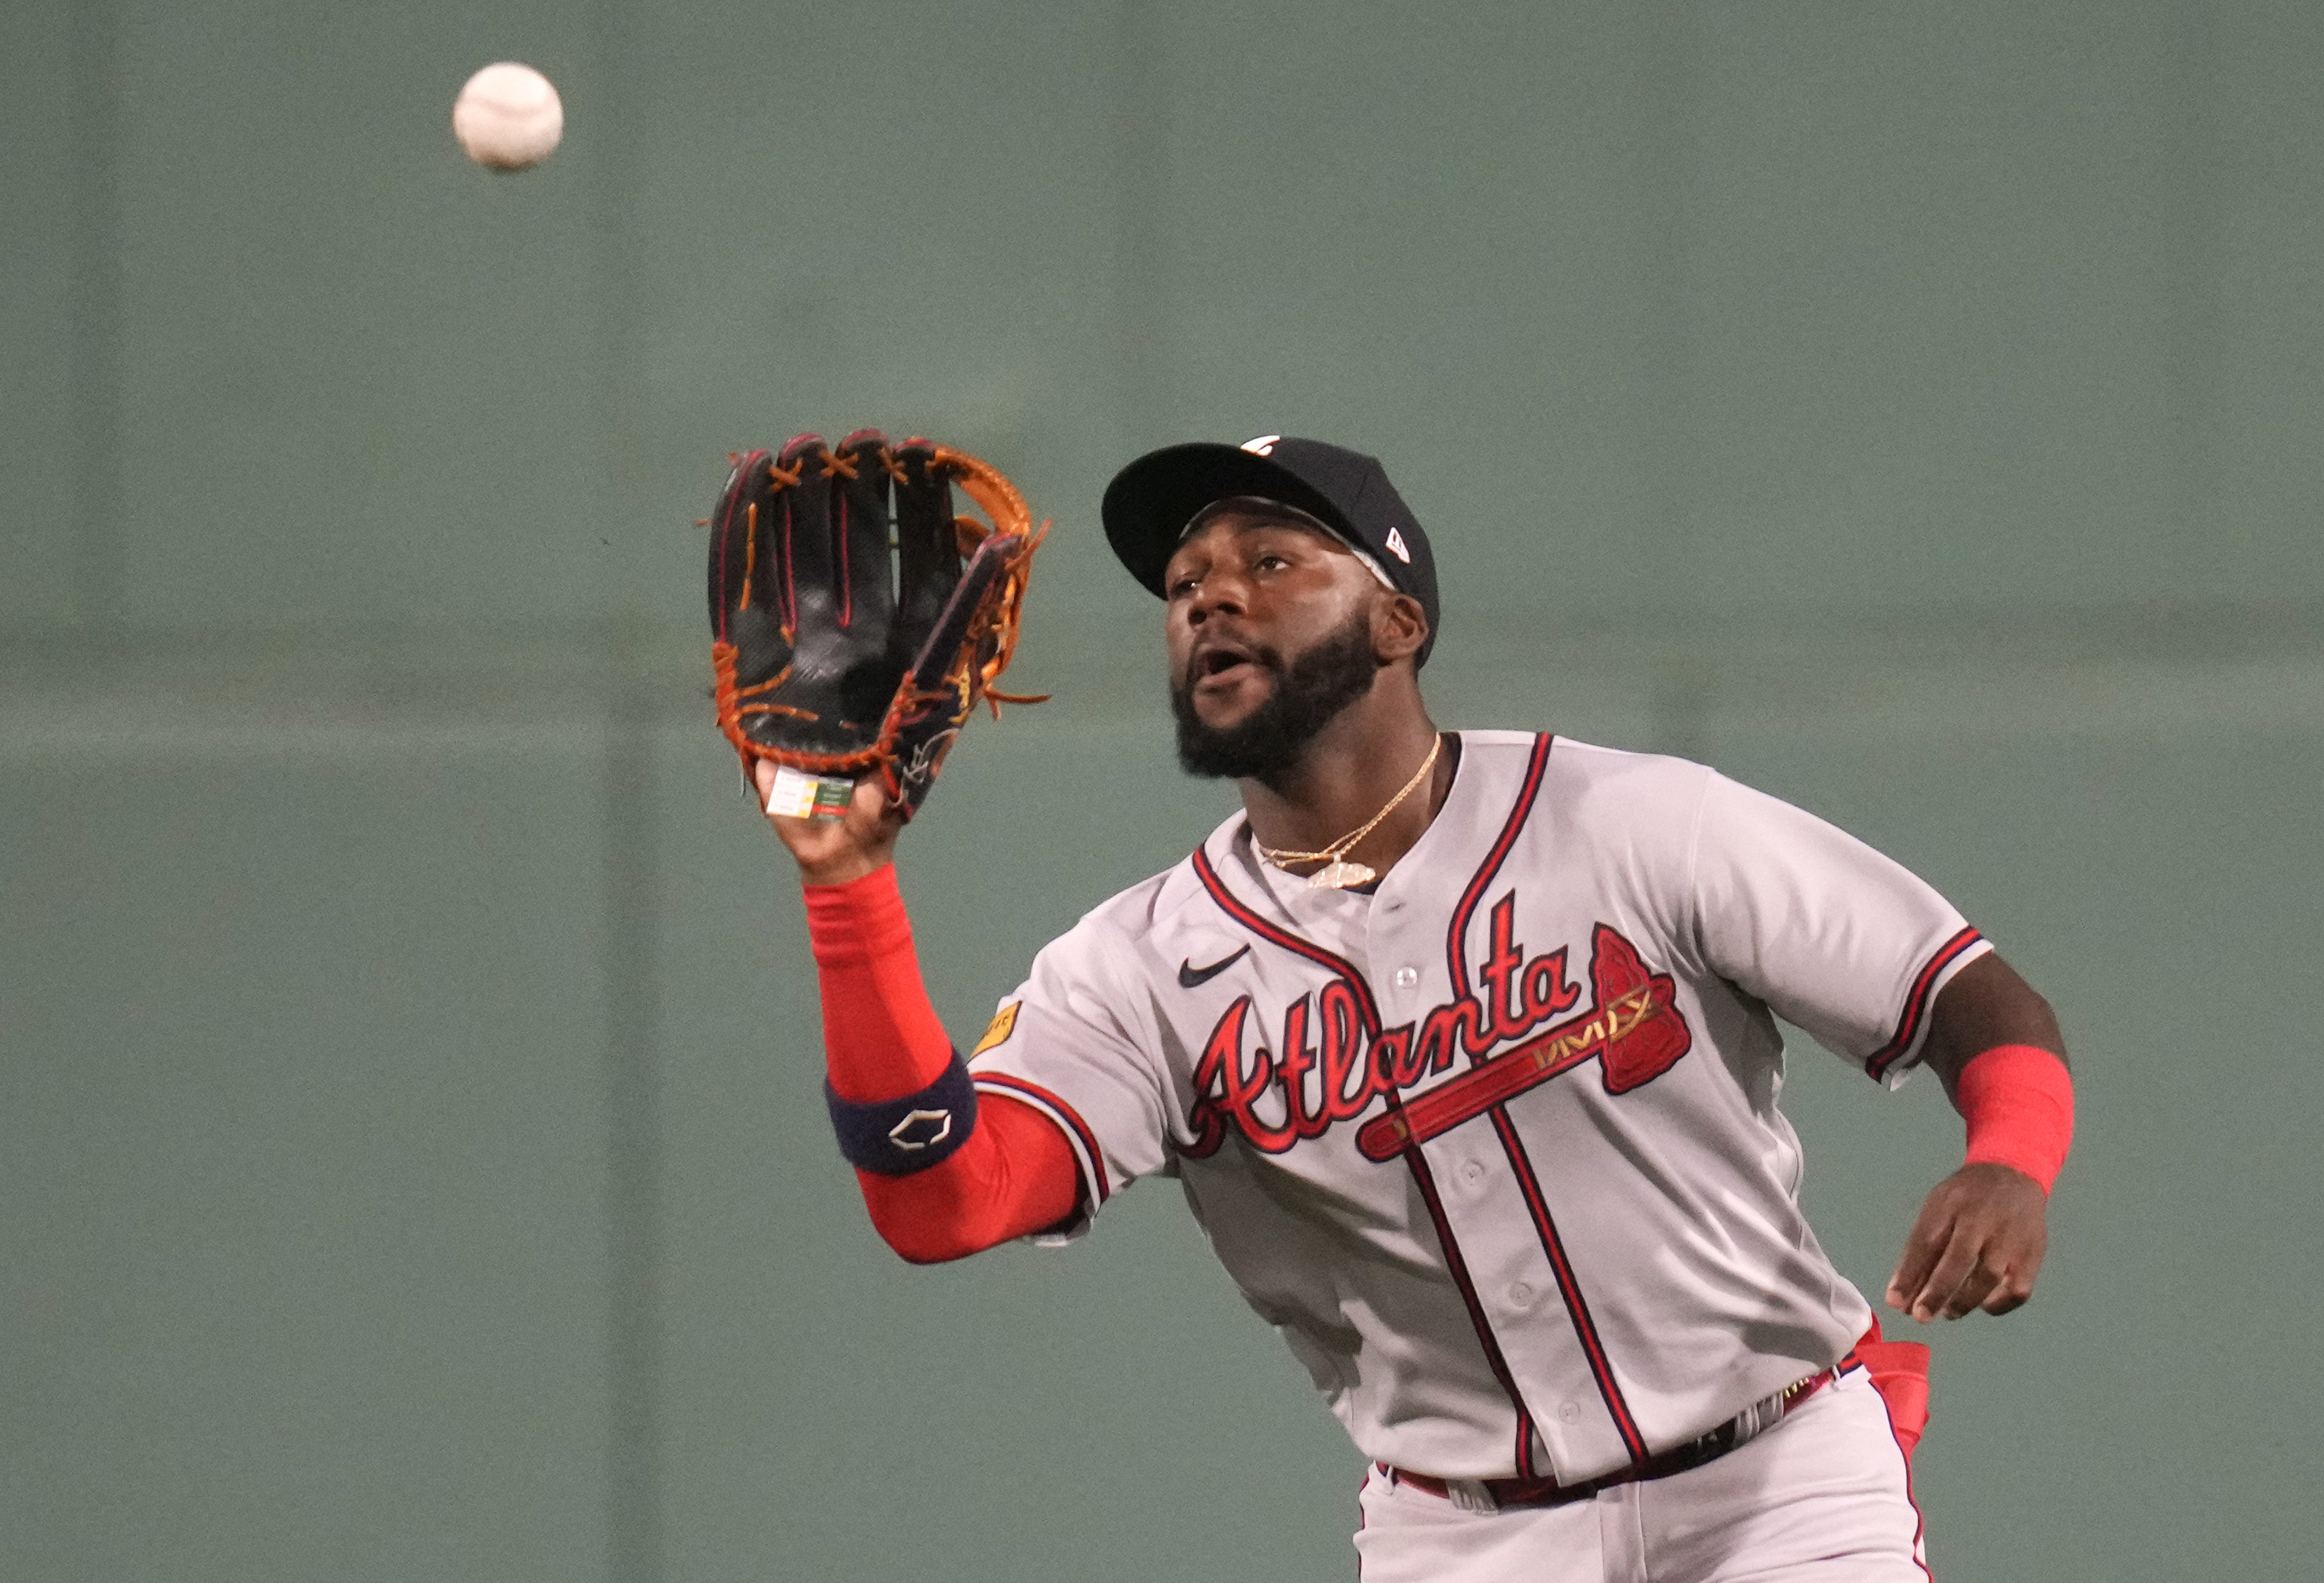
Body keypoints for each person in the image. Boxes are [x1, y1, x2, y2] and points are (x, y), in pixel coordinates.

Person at [750, 435, 2074, 1582]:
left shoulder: (1630, 823)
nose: (1212, 596)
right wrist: (851, 891)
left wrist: (2009, 1157)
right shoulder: (1139, 967)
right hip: (1467, 1535)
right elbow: (944, 1200)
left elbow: (1963, 989)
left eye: (1272, 562)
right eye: (1186, 584)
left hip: (1778, 1476)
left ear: (1398, 622)